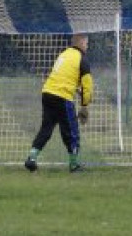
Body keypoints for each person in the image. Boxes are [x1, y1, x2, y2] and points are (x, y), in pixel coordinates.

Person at [25, 34, 93, 172]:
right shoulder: (82, 59)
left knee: (46, 128)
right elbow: (88, 86)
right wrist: (85, 106)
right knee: (72, 131)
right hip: (62, 97)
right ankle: (74, 165)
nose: (87, 46)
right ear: (81, 43)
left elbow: (62, 76)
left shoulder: (64, 54)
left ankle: (31, 158)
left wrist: (75, 89)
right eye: (86, 43)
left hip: (47, 93)